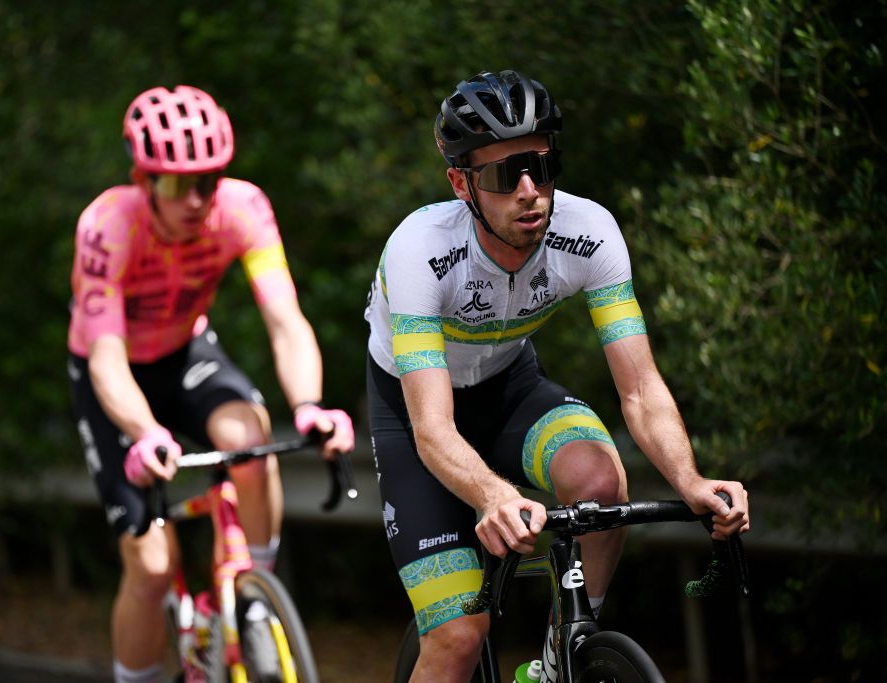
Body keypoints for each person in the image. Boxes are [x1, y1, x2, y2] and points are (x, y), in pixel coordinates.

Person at [363, 69, 750, 681]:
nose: (529, 191)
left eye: (540, 168)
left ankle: (559, 657)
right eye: (502, 174)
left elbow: (641, 388)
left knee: (599, 479)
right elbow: (432, 428)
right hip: (417, 414)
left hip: (508, 384)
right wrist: (494, 495)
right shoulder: (419, 251)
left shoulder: (588, 232)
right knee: (460, 636)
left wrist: (690, 479)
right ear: (461, 184)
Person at [66, 84, 354, 683]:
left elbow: (284, 319)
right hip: (114, 374)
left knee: (249, 441)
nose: (197, 199)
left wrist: (308, 405)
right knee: (149, 565)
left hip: (185, 350)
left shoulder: (244, 208)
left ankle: (253, 594)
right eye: (177, 183)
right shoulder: (106, 225)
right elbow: (106, 358)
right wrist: (144, 431)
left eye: (209, 179)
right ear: (141, 179)